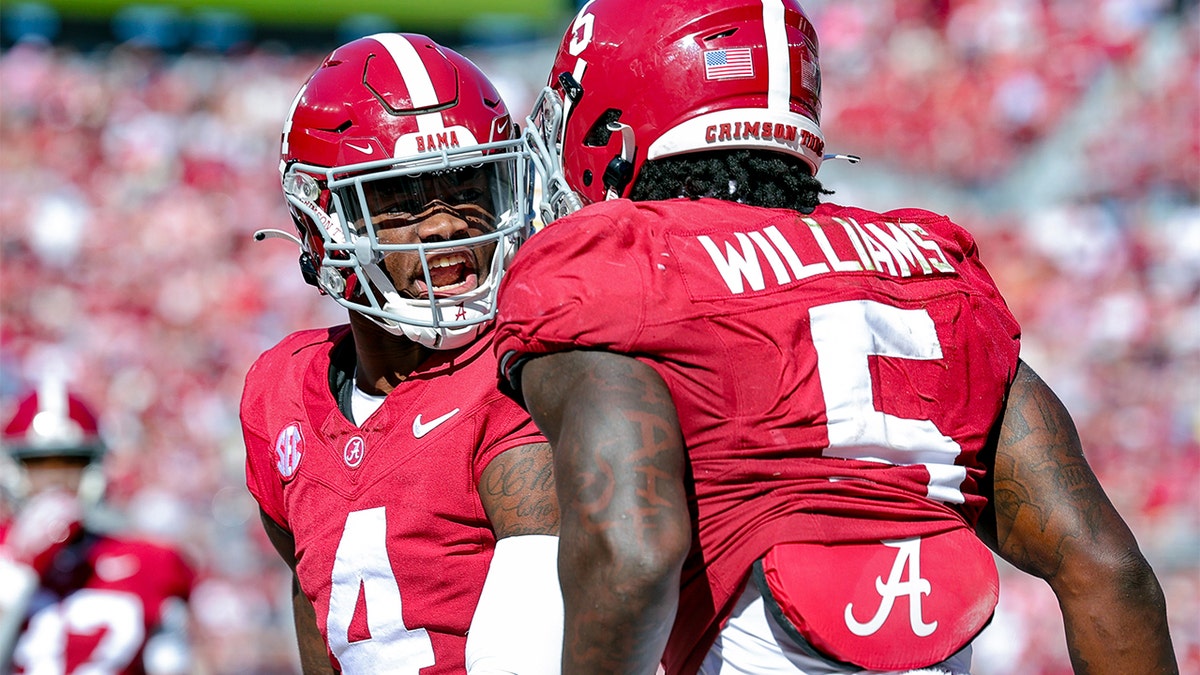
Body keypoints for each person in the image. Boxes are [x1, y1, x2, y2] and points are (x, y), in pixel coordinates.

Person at [495, 1, 1178, 674]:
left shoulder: (616, 262)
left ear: (619, 130)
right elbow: (1110, 569)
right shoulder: (931, 262)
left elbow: (633, 552)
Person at [241, 32, 561, 674]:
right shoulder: (281, 388)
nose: (445, 224)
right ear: (321, 224)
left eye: (467, 182)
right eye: (401, 197)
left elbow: (544, 628)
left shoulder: (524, 365)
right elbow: (315, 595)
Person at [0, 379, 197, 674]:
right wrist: (15, 571)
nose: (55, 482)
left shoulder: (150, 563)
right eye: (39, 466)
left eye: (70, 464)